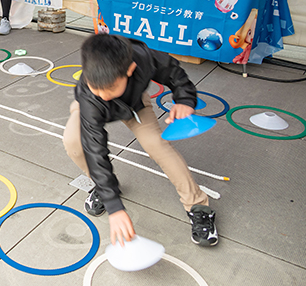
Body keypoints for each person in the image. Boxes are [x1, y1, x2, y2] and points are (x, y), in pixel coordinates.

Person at [62, 34, 218, 248]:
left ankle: (198, 206)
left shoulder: (144, 57)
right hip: (90, 110)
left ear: (130, 70)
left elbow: (175, 72)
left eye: (110, 88)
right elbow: (96, 150)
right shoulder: (92, 97)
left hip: (135, 105)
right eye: (96, 87)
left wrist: (184, 99)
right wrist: (115, 207)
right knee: (73, 142)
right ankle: (102, 187)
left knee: (157, 145)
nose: (103, 94)